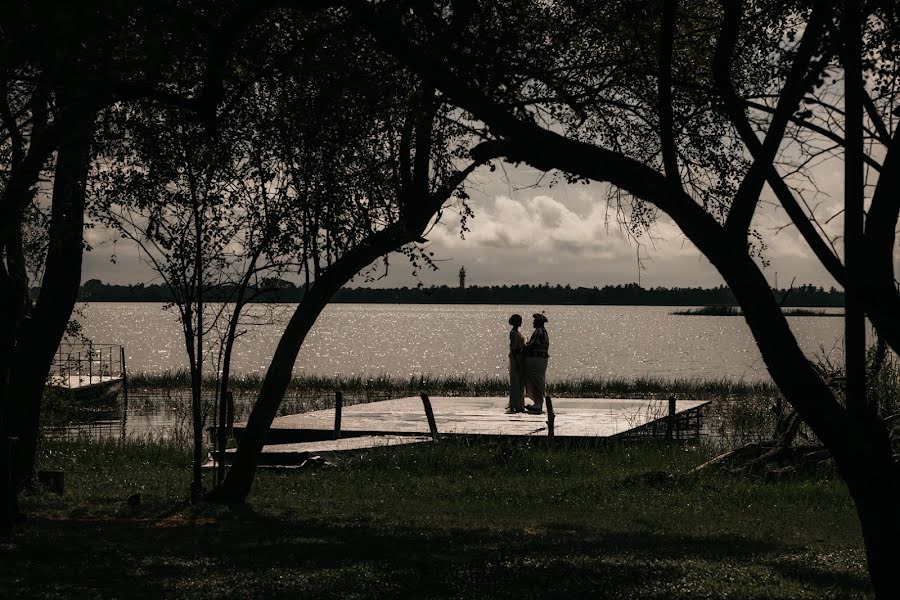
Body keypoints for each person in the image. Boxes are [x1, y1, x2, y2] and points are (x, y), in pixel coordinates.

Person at [524, 312, 549, 413]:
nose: (533, 323)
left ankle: (538, 403)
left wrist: (523, 346)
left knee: (537, 381)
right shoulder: (543, 331)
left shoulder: (539, 331)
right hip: (540, 361)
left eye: (534, 321)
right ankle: (537, 403)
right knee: (538, 380)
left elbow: (532, 345)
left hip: (537, 361)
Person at [505, 314, 526, 414]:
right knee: (516, 382)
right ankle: (515, 404)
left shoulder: (517, 332)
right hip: (515, 359)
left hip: (520, 358)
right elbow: (513, 349)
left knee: (520, 382)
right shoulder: (513, 333)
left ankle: (520, 404)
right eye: (520, 320)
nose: (521, 322)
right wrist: (517, 363)